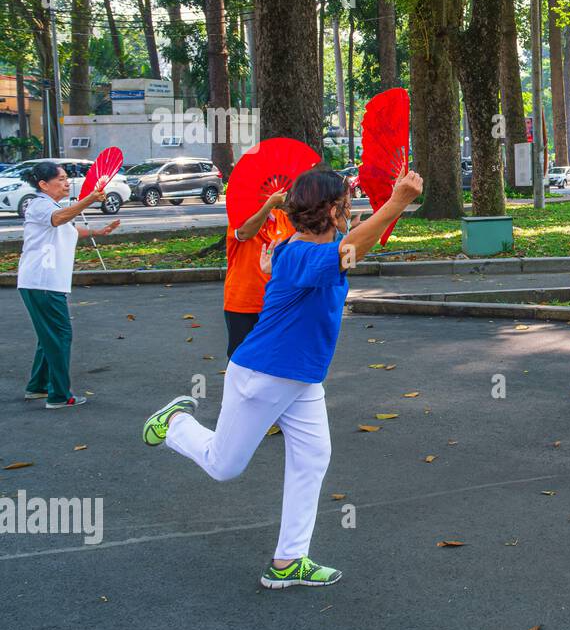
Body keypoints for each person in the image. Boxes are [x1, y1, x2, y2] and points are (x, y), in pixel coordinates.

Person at [141, 167, 423, 589]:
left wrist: (387, 208)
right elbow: (350, 253)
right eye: (346, 203)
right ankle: (175, 423)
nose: (351, 209)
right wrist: (397, 203)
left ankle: (289, 560)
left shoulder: (299, 246)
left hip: (303, 380)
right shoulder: (299, 256)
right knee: (223, 466)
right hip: (264, 375)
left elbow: (351, 244)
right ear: (330, 210)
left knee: (313, 459)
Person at [15, 161, 120, 408]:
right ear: (43, 184)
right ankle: (59, 395)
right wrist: (90, 199)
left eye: (66, 178)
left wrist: (99, 231)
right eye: (60, 179)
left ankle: (37, 387)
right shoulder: (40, 204)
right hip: (42, 281)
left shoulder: (51, 205)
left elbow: (69, 228)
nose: (66, 183)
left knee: (47, 337)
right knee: (60, 335)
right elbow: (60, 219)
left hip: (43, 281)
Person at [223, 190, 294, 357]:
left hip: (274, 302)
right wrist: (268, 205)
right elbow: (245, 233)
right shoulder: (238, 218)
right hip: (242, 302)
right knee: (240, 357)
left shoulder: (283, 218)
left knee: (271, 357)